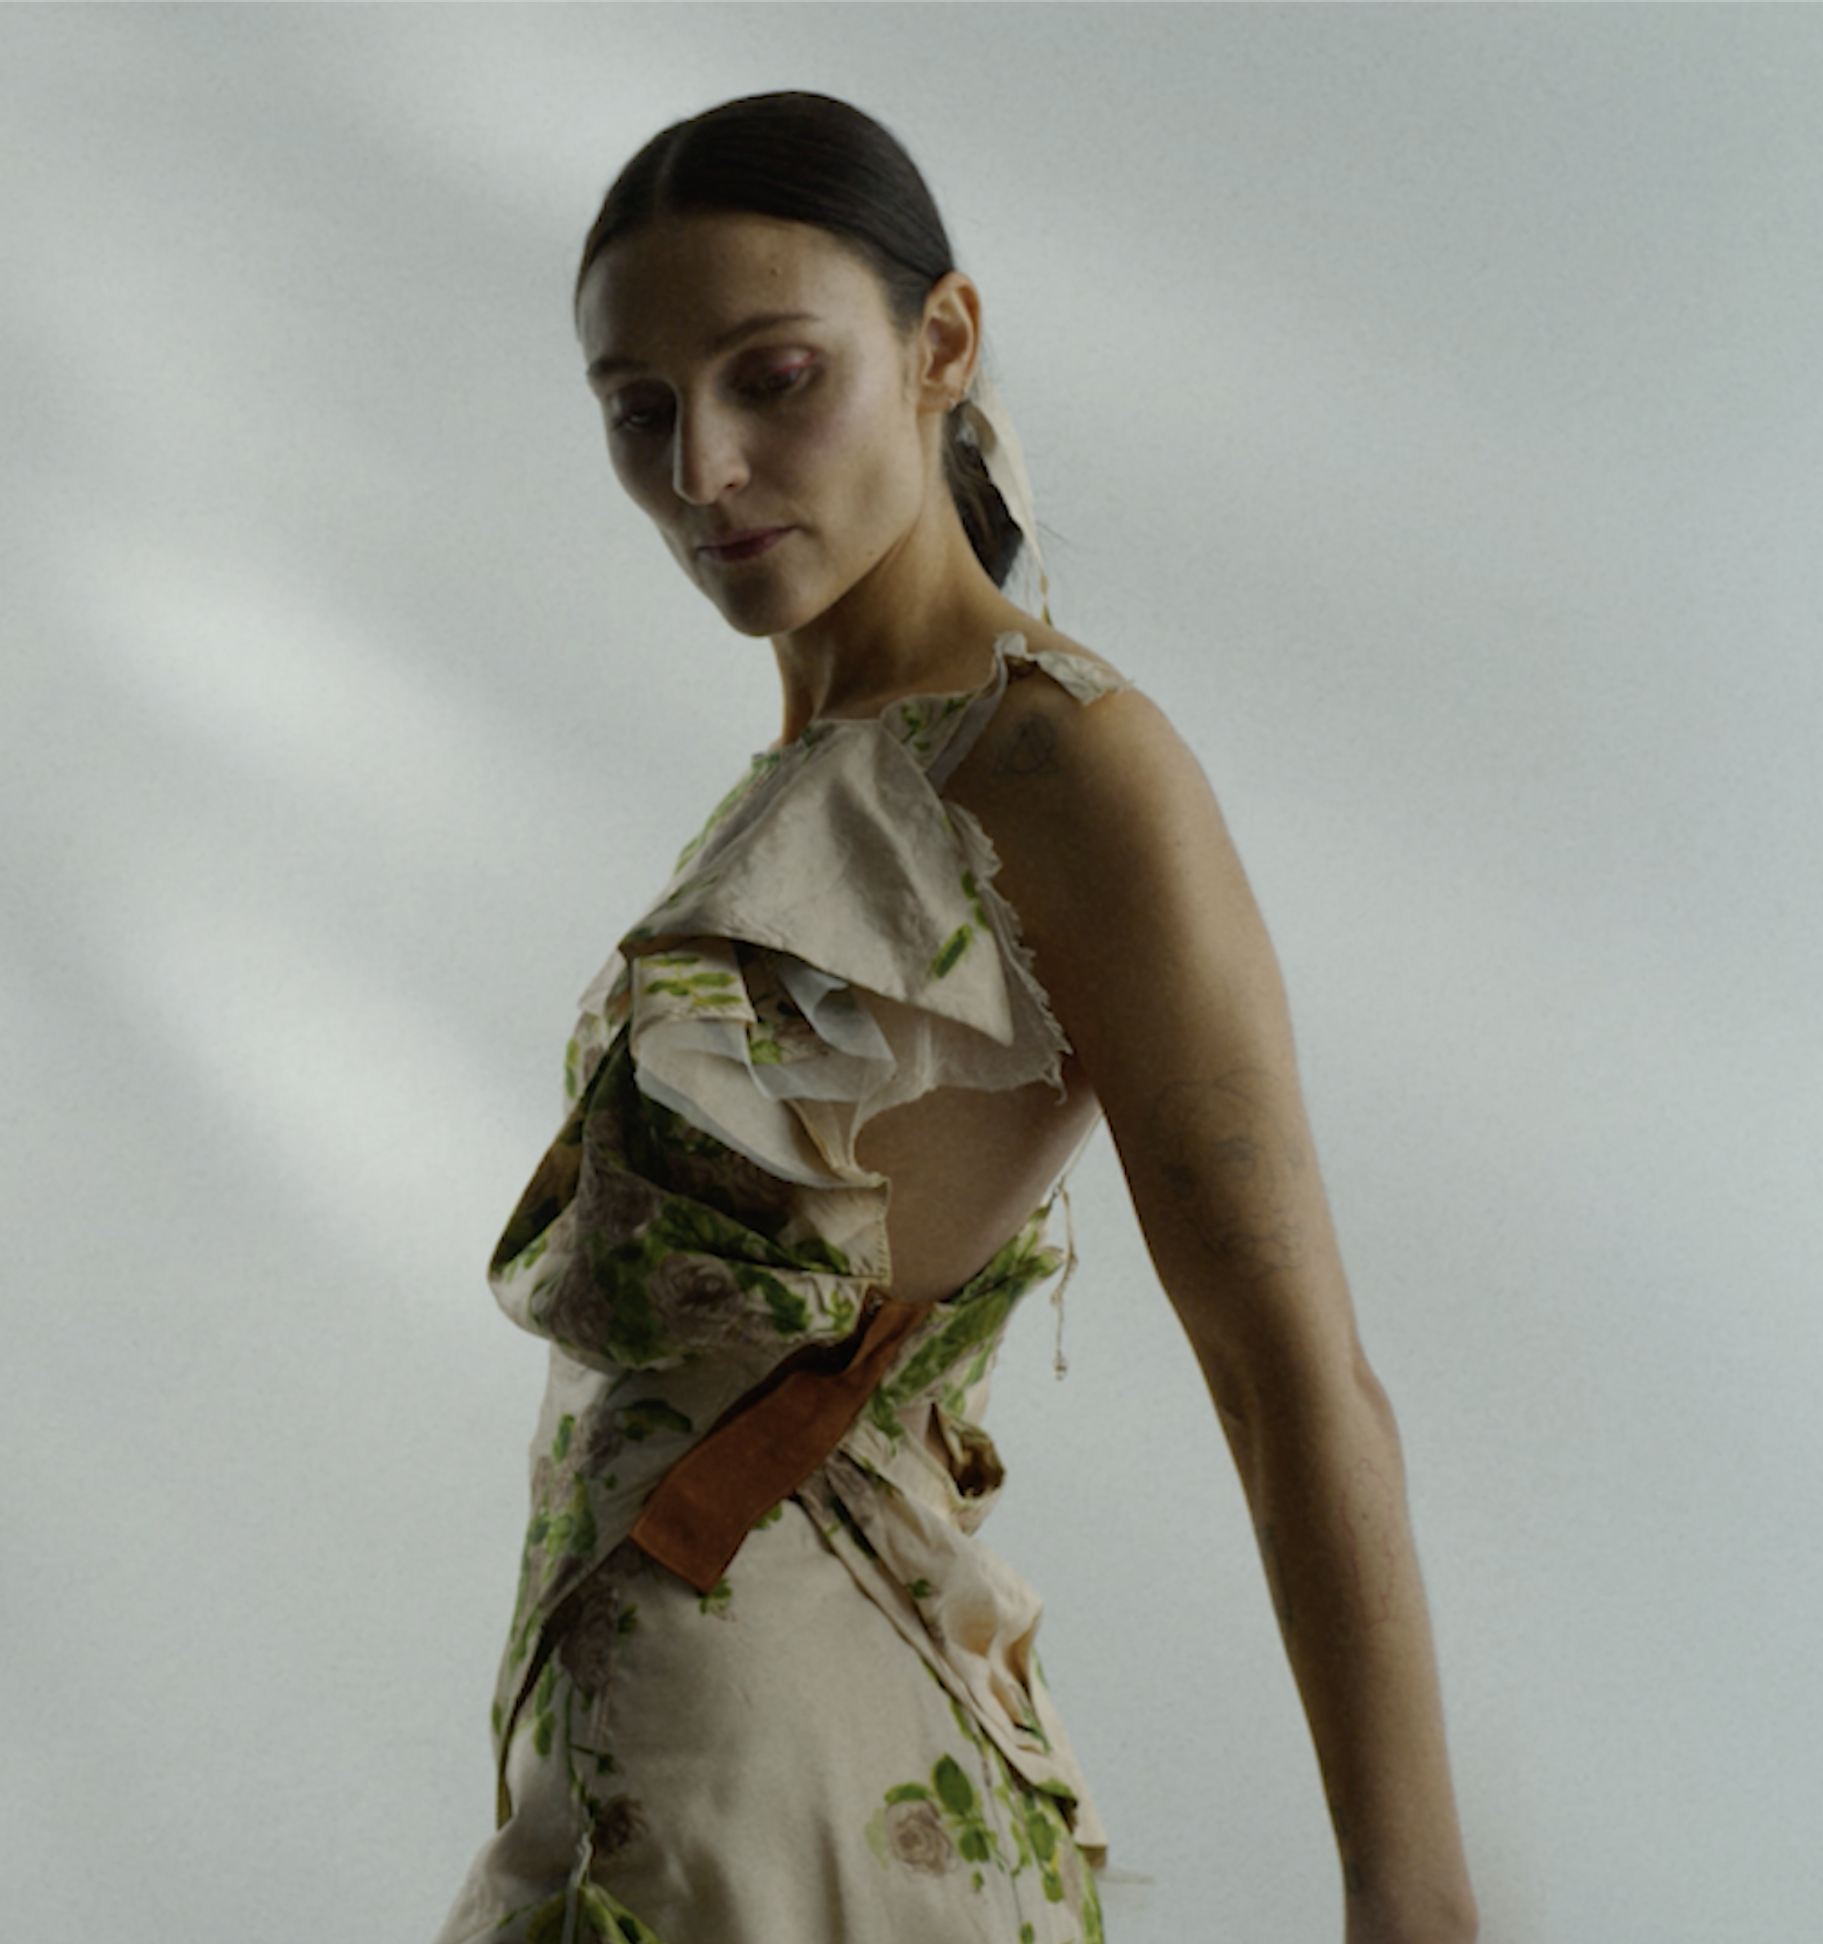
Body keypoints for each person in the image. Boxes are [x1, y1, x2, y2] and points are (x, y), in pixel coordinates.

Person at [431, 93, 1475, 1944]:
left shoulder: (1066, 764)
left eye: (774, 379)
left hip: (797, 1771)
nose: (704, 470)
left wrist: (1413, 1905)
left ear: (940, 346)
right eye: (639, 412)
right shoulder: (805, 781)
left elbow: (1292, 1376)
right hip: (629, 1761)